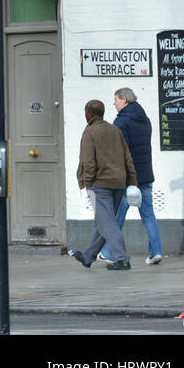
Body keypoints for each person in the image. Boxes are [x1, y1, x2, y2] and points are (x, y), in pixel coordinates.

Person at [99, 88, 163, 265]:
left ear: (124, 100)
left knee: (117, 215)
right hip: (146, 175)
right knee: (148, 215)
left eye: (116, 99)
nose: (114, 103)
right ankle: (156, 251)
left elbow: (120, 152)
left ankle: (109, 252)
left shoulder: (121, 122)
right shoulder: (145, 119)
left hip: (129, 178)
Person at [71, 99, 137, 270]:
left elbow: (88, 161)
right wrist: (132, 181)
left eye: (86, 111)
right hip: (118, 184)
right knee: (104, 221)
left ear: (90, 113)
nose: (85, 114)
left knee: (107, 223)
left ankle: (122, 259)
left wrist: (87, 182)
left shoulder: (90, 132)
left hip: (99, 185)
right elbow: (127, 158)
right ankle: (88, 256)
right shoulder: (115, 130)